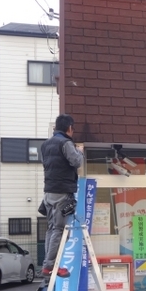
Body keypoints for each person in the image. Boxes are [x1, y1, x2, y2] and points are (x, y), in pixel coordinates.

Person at [40, 114, 84, 278]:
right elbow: (77, 162)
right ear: (69, 128)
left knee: (52, 229)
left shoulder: (45, 145)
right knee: (58, 229)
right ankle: (50, 265)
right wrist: (79, 152)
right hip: (61, 192)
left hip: (49, 193)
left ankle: (49, 264)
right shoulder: (65, 143)